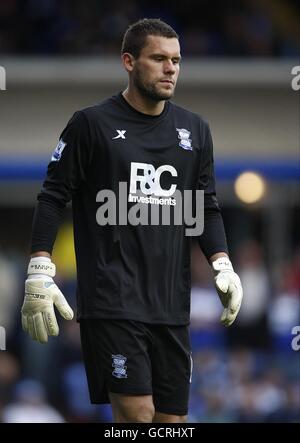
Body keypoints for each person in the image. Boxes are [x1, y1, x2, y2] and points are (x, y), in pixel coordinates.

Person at [21, 18, 243, 423]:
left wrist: (222, 263)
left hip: (172, 306)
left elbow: (205, 205)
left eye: (176, 60)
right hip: (113, 300)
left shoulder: (195, 130)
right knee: (137, 417)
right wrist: (39, 267)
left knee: (172, 423)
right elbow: (52, 196)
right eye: (158, 59)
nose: (170, 68)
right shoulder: (90, 124)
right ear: (128, 61)